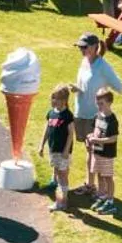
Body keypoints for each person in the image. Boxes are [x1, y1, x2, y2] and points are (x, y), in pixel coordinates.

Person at [72, 33, 122, 193]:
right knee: (88, 150)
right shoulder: (84, 61)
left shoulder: (103, 66)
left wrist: (103, 97)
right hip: (80, 111)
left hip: (94, 117)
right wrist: (78, 89)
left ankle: (94, 187)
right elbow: (85, 85)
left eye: (84, 47)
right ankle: (91, 184)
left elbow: (119, 87)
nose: (81, 49)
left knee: (94, 152)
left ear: (95, 47)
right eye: (80, 47)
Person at [0, 46, 43, 163]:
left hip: (22, 86)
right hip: (23, 86)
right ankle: (16, 153)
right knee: (18, 126)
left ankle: (16, 153)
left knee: (17, 126)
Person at [41, 84, 76, 212]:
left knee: (63, 176)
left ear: (64, 100)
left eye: (57, 98)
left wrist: (66, 150)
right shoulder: (51, 114)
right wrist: (42, 145)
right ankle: (60, 201)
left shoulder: (67, 115)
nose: (54, 101)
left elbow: (71, 133)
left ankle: (63, 201)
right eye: (53, 98)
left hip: (63, 152)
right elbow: (47, 130)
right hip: (53, 150)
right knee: (57, 174)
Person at [86, 88, 121, 213]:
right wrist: (89, 137)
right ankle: (102, 196)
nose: (99, 106)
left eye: (101, 103)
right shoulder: (98, 116)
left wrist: (98, 141)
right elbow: (94, 132)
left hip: (107, 154)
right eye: (97, 103)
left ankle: (110, 201)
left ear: (109, 103)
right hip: (97, 153)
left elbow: (114, 138)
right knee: (100, 175)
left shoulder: (112, 119)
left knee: (108, 177)